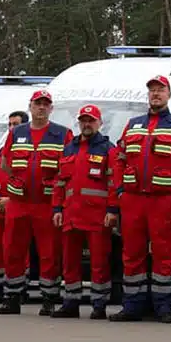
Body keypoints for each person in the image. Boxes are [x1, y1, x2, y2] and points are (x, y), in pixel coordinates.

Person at [113, 75, 171, 323]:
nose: (155, 94)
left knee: (165, 253)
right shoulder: (132, 125)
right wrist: (120, 190)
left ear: (169, 94)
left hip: (163, 201)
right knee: (132, 254)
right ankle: (132, 306)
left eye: (160, 90)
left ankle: (164, 307)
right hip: (133, 201)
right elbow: (119, 160)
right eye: (152, 90)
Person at [0, 90, 73, 316]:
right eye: (37, 104)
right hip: (19, 202)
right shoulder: (17, 132)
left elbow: (66, 169)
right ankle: (12, 298)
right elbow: (5, 164)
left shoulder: (62, 134)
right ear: (30, 106)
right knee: (13, 250)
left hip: (46, 203)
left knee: (49, 252)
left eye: (45, 104)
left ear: (51, 108)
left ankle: (48, 298)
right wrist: (19, 182)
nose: (41, 108)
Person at [54, 104, 119, 319]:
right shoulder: (69, 148)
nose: (87, 124)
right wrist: (57, 208)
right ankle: (70, 302)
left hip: (97, 216)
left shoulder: (107, 149)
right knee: (69, 261)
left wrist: (112, 209)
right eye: (83, 120)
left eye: (91, 120)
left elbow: (113, 182)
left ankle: (99, 304)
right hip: (71, 214)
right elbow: (60, 182)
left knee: (99, 262)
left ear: (99, 123)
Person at [0, 109, 28, 303]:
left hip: (19, 209)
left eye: (16, 124)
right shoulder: (1, 154)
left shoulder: (28, 153)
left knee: (18, 252)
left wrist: (11, 201)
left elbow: (31, 181)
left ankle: (19, 291)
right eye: (10, 124)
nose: (12, 128)